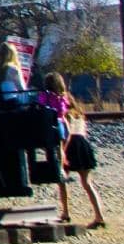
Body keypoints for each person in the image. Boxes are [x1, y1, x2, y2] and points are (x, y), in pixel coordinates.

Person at [39, 74, 106, 229]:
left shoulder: (59, 111)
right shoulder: (77, 110)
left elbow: (65, 134)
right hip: (83, 144)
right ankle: (99, 216)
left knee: (62, 181)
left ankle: (66, 212)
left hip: (69, 145)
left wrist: (61, 151)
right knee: (87, 183)